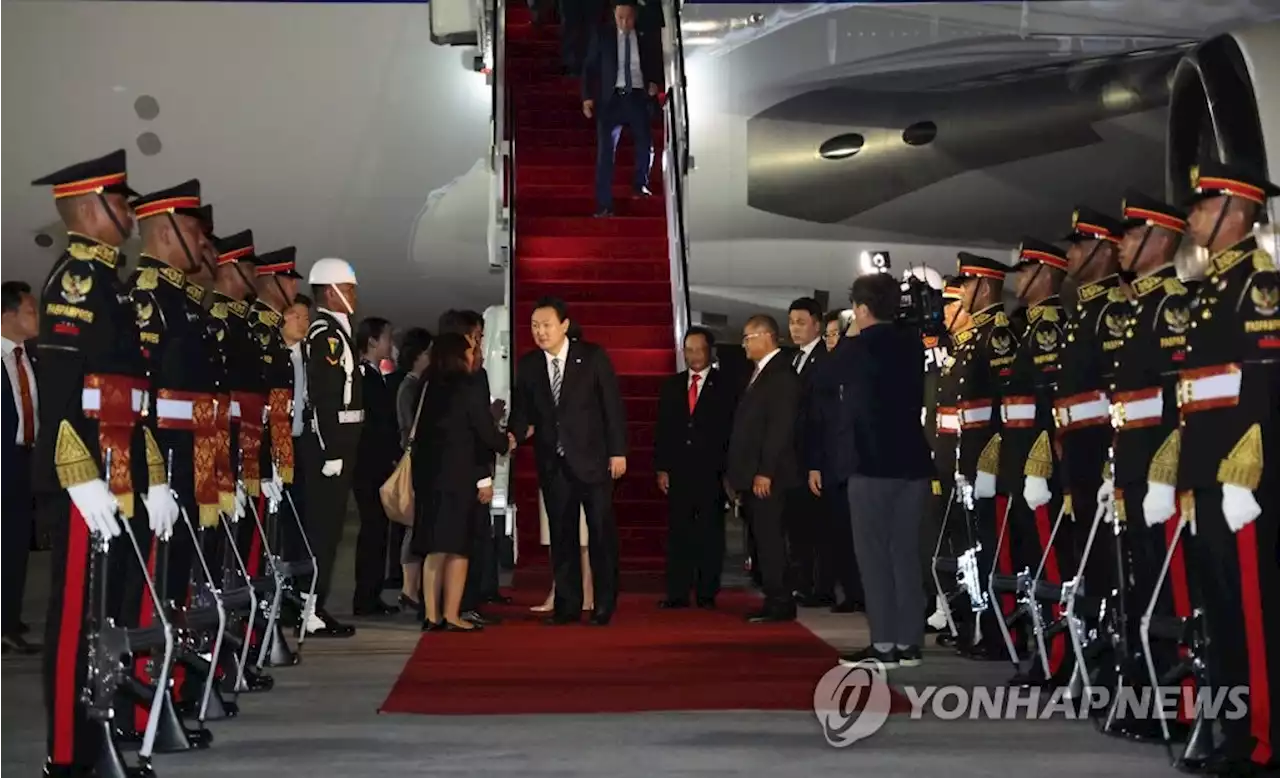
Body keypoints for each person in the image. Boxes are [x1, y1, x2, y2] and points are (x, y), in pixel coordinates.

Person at [30, 149, 178, 777]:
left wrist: (149, 477)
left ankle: (99, 739)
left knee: (104, 613)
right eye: (122, 204)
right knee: (72, 619)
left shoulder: (110, 285)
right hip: (86, 476)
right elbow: (64, 382)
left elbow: (131, 395)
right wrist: (77, 471)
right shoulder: (78, 282)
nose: (130, 216)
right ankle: (66, 755)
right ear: (91, 208)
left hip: (117, 468)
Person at [1172, 158, 1280, 774]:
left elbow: (1262, 386)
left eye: (1202, 206)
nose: (1191, 216)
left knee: (1251, 613)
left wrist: (1245, 467)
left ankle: (1262, 740)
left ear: (1236, 210)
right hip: (1207, 475)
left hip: (1242, 479)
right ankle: (1234, 730)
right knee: (1219, 610)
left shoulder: (1258, 285)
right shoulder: (1216, 285)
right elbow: (1199, 393)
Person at [1103, 190, 1195, 739]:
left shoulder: (1173, 305)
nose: (1122, 245)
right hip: (1133, 467)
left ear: (1160, 239)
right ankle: (1148, 697)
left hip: (1162, 469)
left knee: (1172, 587)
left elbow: (1183, 400)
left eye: (1132, 235)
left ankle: (1182, 706)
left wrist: (1167, 467)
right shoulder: (1139, 307)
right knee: (1142, 586)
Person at [815, 274, 934, 667]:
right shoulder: (911, 343)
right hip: (913, 461)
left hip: (870, 464)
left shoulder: (858, 346)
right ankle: (909, 644)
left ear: (862, 309)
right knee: (904, 555)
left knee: (874, 558)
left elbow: (824, 378)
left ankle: (883, 644)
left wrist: (849, 333)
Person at [508, 296, 627, 626]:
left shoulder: (591, 357)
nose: (540, 332)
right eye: (534, 326)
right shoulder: (530, 364)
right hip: (553, 464)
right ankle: (567, 605)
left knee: (601, 535)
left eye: (546, 325)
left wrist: (618, 452)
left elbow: (612, 408)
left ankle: (604, 604)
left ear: (564, 325)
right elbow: (523, 411)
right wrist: (513, 435)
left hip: (593, 462)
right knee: (562, 538)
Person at [1055, 205, 1126, 690]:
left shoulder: (1112, 312)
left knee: (1108, 565)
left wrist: (1112, 461)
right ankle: (1093, 659)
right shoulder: (1084, 311)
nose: (1071, 254)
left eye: (1079, 244)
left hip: (1101, 455)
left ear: (1103, 250)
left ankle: (1112, 665)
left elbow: (1121, 394)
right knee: (1087, 563)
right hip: (1078, 458)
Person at [996, 237, 1069, 686]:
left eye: (1026, 271)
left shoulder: (1049, 329)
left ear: (1046, 274)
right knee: (1035, 566)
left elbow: (1051, 404)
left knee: (1052, 567)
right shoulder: (1028, 328)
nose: (1019, 279)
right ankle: (1044, 652)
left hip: (1038, 468)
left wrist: (1039, 462)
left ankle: (1058, 657)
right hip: (1021, 464)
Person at [411, 333, 514, 631]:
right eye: (471, 349)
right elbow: (483, 431)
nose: (474, 354)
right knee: (458, 549)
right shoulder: (467, 387)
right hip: (460, 479)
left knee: (434, 549)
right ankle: (453, 614)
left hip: (430, 478)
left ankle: (432, 615)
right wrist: (505, 442)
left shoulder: (427, 385)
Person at [948, 252, 1012, 660]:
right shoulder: (977, 338)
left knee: (993, 547)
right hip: (972, 458)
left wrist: (990, 460)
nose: (963, 292)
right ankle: (984, 626)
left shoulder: (998, 335)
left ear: (984, 287)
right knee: (977, 549)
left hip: (990, 458)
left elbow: (1008, 407)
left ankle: (999, 631)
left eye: (967, 285)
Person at [301, 258, 364, 637]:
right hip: (331, 451)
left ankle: (316, 605)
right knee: (321, 534)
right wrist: (330, 453)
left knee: (331, 533)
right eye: (349, 288)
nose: (354, 295)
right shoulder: (325, 335)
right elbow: (324, 399)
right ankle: (310, 608)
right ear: (330, 291)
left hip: (343, 447)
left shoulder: (340, 333)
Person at [654, 326, 736, 609]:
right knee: (679, 534)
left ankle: (706, 592)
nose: (694, 355)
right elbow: (663, 430)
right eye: (689, 350)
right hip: (679, 472)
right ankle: (677, 592)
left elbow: (731, 431)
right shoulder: (673, 386)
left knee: (710, 534)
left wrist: (730, 472)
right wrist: (662, 468)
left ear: (710, 351)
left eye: (699, 349)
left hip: (712, 472)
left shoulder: (726, 386)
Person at [726, 314, 800, 623]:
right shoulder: (760, 373)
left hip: (771, 476)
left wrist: (765, 471)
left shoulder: (780, 375)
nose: (744, 345)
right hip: (754, 473)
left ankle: (780, 601)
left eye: (747, 338)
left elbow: (779, 428)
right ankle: (773, 597)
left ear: (765, 336)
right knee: (762, 539)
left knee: (771, 540)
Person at [532, 318, 593, 614]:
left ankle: (587, 593)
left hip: (585, 465)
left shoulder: (588, 367)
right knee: (562, 536)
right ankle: (565, 593)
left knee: (585, 536)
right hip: (553, 466)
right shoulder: (536, 367)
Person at [581, 0, 661, 218]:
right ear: (614, 16)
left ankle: (640, 184)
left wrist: (654, 82)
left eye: (629, 18)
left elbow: (656, 63)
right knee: (606, 152)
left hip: (637, 96)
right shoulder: (604, 35)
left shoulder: (645, 37)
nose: (624, 23)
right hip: (611, 99)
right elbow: (590, 67)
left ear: (635, 16)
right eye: (620, 18)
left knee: (646, 143)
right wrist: (587, 96)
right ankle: (604, 204)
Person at [807, 310, 863, 614]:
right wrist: (814, 465)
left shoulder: (859, 367)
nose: (831, 341)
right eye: (827, 335)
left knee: (860, 534)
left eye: (835, 334)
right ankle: (849, 592)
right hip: (831, 465)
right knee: (837, 533)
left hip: (859, 464)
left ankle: (863, 592)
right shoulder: (822, 371)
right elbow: (815, 421)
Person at [0, 280, 41, 654]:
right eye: (30, 311)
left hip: (23, 458)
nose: (37, 317)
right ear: (7, 315)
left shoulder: (32, 356)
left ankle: (8, 620)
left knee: (15, 543)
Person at [352, 316, 401, 616]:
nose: (390, 345)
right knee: (373, 530)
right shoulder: (363, 376)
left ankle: (371, 592)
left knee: (378, 530)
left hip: (377, 463)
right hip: (369, 465)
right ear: (372, 341)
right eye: (386, 338)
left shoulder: (374, 375)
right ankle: (366, 596)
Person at [394, 326, 433, 615]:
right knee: (413, 524)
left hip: (420, 459)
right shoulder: (410, 387)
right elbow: (409, 430)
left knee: (417, 524)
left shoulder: (416, 385)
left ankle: (413, 588)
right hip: (416, 461)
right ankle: (409, 588)